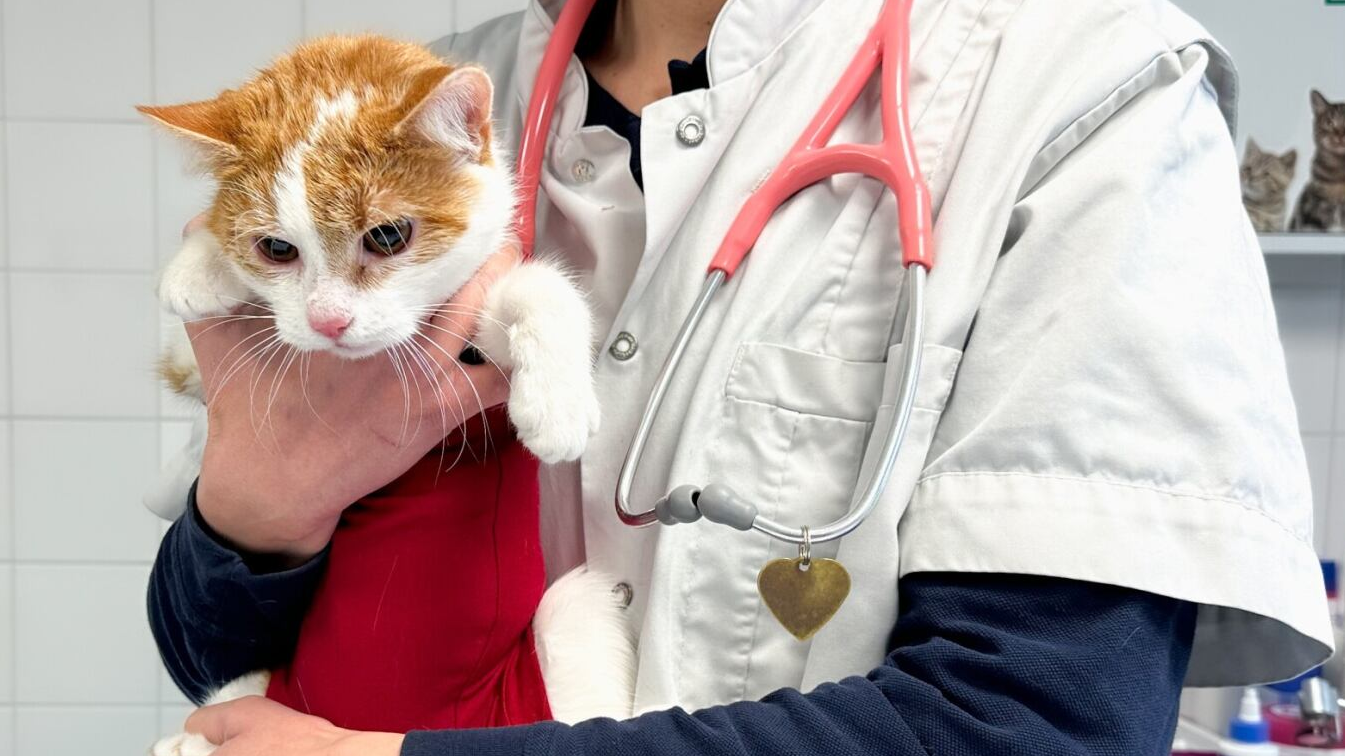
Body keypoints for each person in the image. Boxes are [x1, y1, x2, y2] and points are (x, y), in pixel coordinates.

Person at [146, 0, 1336, 754]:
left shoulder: (1082, 88)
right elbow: (205, 648)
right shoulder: (424, 111)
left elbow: (1042, 722)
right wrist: (258, 509)